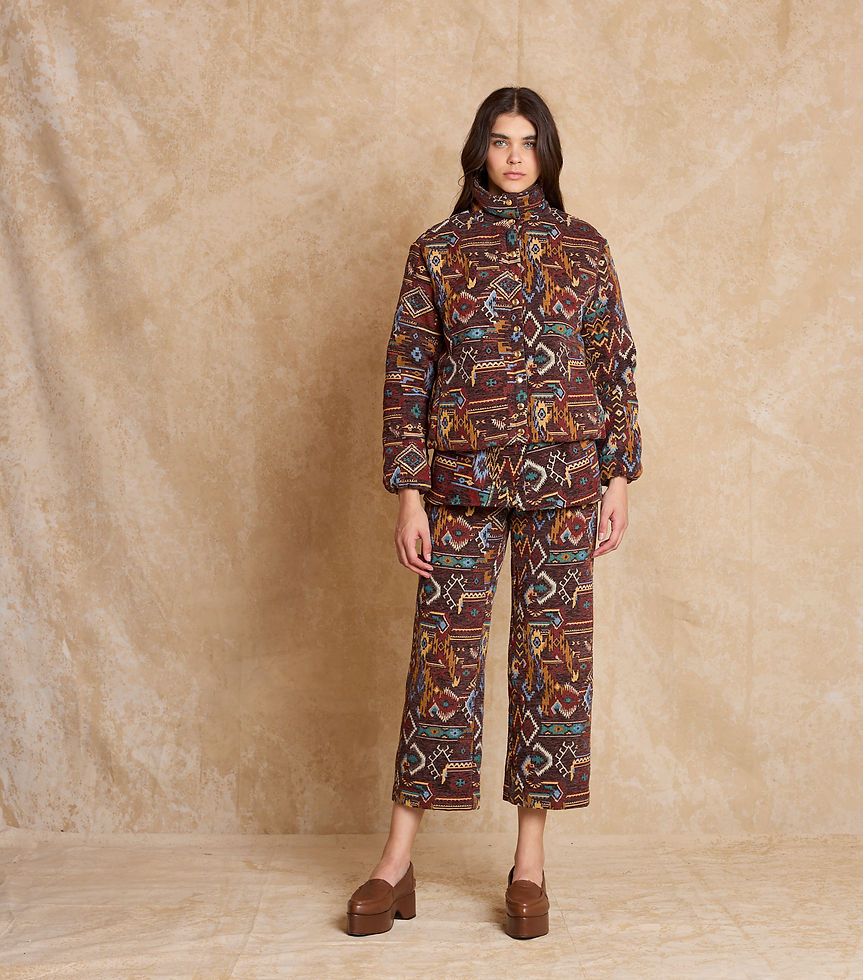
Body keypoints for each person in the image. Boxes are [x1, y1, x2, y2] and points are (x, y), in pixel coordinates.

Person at [347, 86, 642, 940]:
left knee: (552, 665)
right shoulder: (437, 251)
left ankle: (529, 865)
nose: (515, 156)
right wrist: (410, 493)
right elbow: (407, 373)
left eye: (529, 142)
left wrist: (618, 477)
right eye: (501, 141)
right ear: (479, 150)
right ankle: (396, 861)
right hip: (460, 483)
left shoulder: (584, 248)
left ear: (547, 153)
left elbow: (615, 363)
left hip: (565, 483)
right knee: (441, 660)